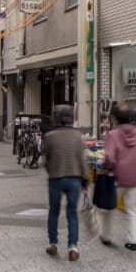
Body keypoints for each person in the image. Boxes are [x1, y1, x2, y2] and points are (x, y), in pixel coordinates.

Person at [43, 104, 89, 261]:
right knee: (72, 213)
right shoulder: (78, 136)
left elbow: (47, 160)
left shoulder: (49, 136)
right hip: (74, 179)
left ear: (55, 118)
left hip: (55, 178)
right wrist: (85, 180)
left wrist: (52, 172)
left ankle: (53, 244)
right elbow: (82, 160)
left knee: (54, 211)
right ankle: (73, 247)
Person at [98, 104, 136, 251]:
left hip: (117, 178)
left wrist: (105, 166)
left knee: (107, 208)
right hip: (135, 177)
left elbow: (110, 158)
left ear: (115, 118)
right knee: (132, 209)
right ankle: (133, 241)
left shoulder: (113, 135)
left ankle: (105, 235)